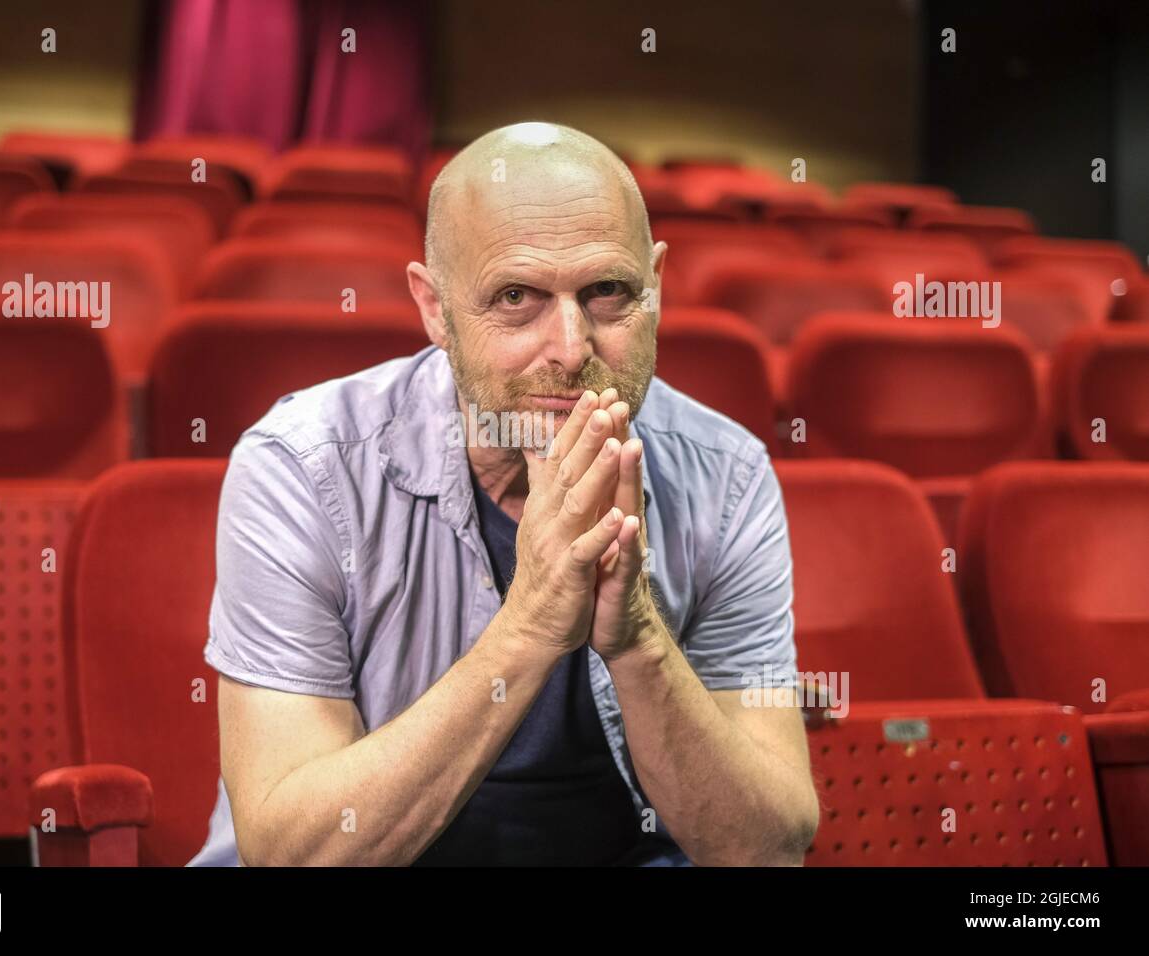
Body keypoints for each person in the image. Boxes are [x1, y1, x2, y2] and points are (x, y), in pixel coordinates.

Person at [188, 121, 818, 866]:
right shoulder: (302, 468)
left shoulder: (729, 475)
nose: (572, 348)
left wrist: (639, 641)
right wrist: (530, 627)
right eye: (516, 296)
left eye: (608, 292)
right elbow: (294, 854)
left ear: (656, 286)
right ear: (434, 308)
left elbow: (771, 848)